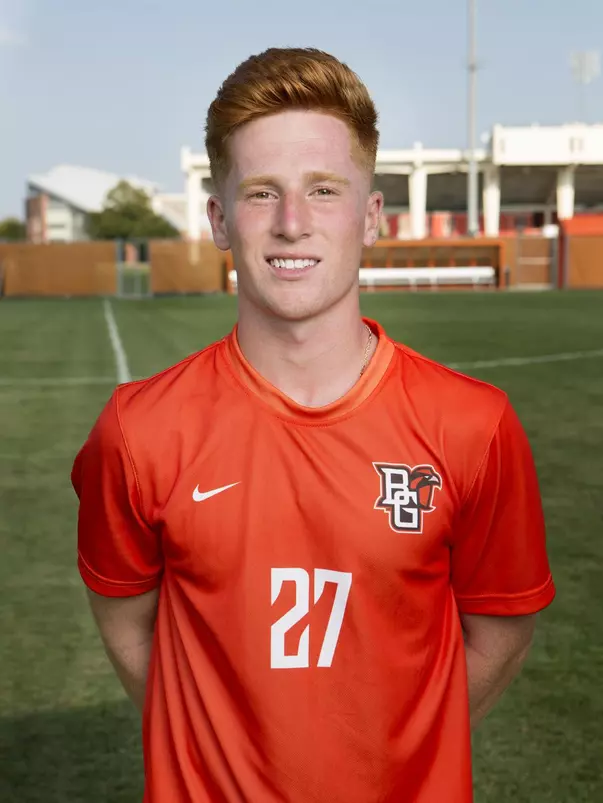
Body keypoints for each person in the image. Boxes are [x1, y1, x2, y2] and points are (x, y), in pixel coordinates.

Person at [71, 47, 555, 803]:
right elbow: (129, 626)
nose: (291, 223)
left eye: (323, 190)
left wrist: (391, 755)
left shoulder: (472, 425)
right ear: (219, 219)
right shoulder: (138, 431)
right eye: (261, 193)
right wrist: (208, 743)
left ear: (370, 215)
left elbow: (499, 637)